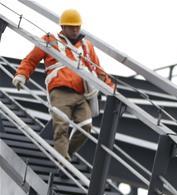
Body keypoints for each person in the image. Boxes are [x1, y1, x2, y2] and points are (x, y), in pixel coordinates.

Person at [13, 8, 113, 160]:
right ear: (62, 27)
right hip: (60, 91)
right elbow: (31, 60)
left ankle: (66, 157)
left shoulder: (87, 46)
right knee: (61, 126)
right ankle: (63, 163)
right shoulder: (49, 40)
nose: (75, 30)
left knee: (86, 126)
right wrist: (21, 75)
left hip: (81, 94)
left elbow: (99, 71)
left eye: (77, 27)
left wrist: (112, 89)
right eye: (71, 27)